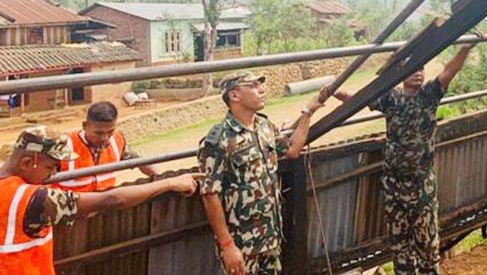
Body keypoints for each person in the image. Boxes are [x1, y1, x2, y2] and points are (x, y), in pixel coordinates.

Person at [321, 33, 484, 275]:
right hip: (394, 187)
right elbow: (360, 99)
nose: (418, 72)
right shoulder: (391, 98)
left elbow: (449, 72)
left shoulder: (429, 95)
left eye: (422, 68)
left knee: (428, 249)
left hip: (421, 188)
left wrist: (465, 49)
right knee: (400, 249)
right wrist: (333, 92)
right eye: (412, 68)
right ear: (399, 73)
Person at [0, 125, 197, 275]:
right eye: (51, 167)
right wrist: (169, 184)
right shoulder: (27, 199)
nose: (52, 175)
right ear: (26, 162)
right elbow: (111, 200)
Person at [197, 72, 324, 275]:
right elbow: (210, 195)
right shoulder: (218, 140)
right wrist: (227, 245)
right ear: (235, 95)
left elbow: (292, 149)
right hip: (242, 245)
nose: (262, 90)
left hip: (271, 238)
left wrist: (307, 112)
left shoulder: (264, 127)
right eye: (254, 86)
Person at [58, 101, 157, 191]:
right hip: (73, 207)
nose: (105, 138)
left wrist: (158, 177)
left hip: (106, 203)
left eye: (110, 132)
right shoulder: (64, 147)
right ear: (85, 126)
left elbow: (139, 161)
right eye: (98, 133)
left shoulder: (117, 140)